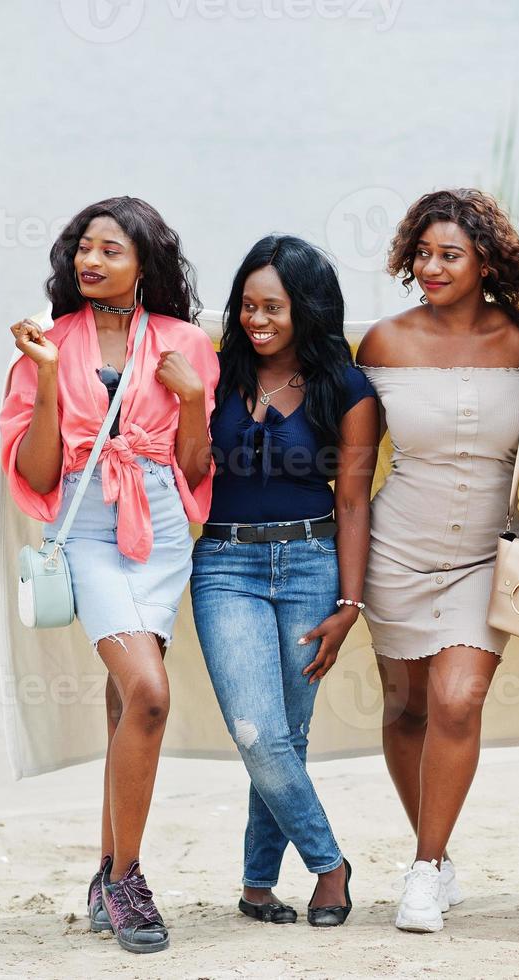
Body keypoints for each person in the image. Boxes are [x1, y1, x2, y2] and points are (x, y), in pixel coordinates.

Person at [0, 196, 217, 954]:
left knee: (127, 701)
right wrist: (50, 378)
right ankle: (128, 878)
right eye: (82, 248)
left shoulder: (187, 341)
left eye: (109, 250)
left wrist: (191, 399)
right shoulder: (48, 342)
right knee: (150, 693)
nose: (90, 261)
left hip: (160, 534)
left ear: (144, 262)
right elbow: (36, 471)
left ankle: (103, 873)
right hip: (88, 533)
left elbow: (195, 470)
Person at [355, 188, 519, 933]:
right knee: (405, 710)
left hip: (483, 557)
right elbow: (354, 470)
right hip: (395, 552)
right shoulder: (384, 343)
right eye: (423, 254)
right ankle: (430, 851)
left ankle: (426, 870)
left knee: (458, 700)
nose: (431, 268)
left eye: (449, 256)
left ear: (485, 261)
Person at [192, 234, 378, 928]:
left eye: (272, 305)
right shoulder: (212, 375)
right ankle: (329, 865)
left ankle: (257, 886)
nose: (256, 319)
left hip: (310, 563)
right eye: (246, 304)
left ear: (307, 307)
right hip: (224, 566)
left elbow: (354, 501)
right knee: (256, 731)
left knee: (285, 741)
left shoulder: (349, 389)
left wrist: (349, 603)